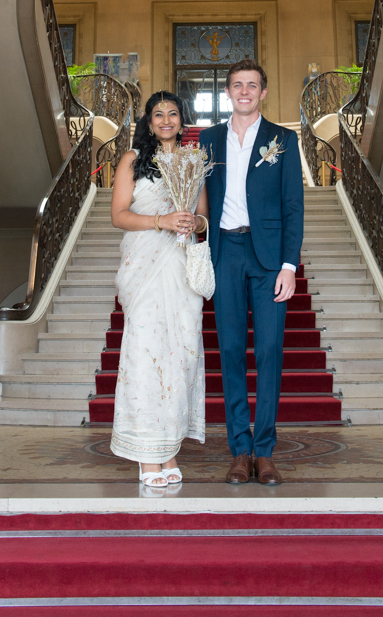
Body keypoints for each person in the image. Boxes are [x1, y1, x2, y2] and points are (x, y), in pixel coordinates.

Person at [200, 60, 304, 485]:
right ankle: (240, 451)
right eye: (237, 85)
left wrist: (289, 266)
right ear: (227, 92)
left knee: (269, 351)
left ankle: (264, 451)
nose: (244, 91)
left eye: (252, 85)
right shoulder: (208, 139)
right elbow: (199, 195)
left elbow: (293, 205)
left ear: (263, 92)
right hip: (225, 252)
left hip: (269, 259)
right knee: (229, 352)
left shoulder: (283, 139)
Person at [110, 91, 207, 488]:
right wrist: (160, 221)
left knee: (180, 356)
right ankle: (146, 454)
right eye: (158, 114)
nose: (166, 120)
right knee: (145, 355)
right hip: (145, 267)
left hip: (181, 268)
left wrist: (194, 223)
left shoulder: (194, 161)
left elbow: (203, 216)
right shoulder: (132, 160)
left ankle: (169, 450)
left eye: (173, 113)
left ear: (182, 121)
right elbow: (119, 216)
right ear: (148, 122)